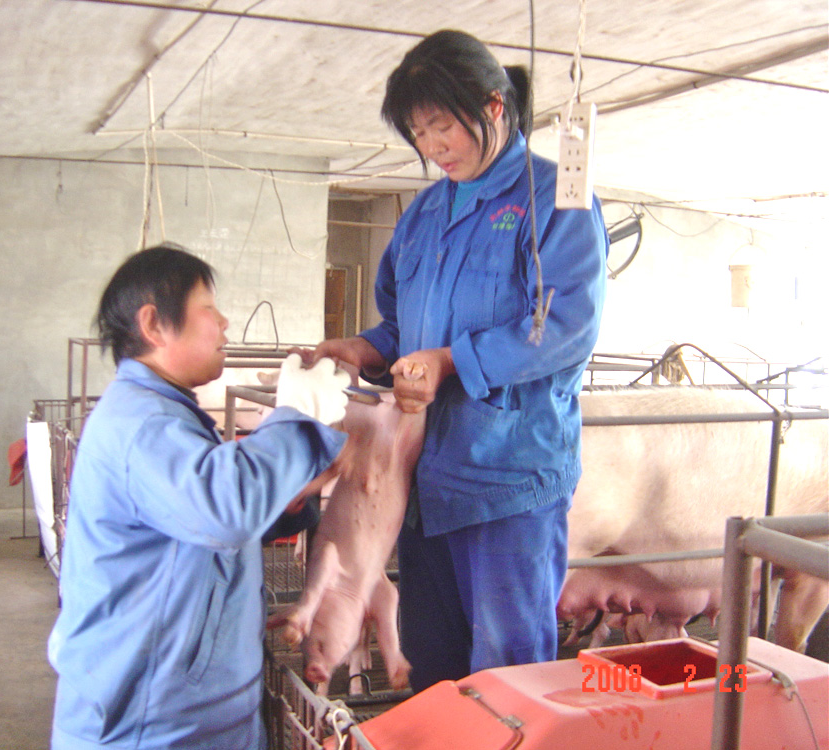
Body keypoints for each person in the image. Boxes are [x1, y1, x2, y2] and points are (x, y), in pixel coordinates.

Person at [309, 30, 609, 692]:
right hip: (426, 484)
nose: (433, 148)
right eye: (419, 134)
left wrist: (450, 362)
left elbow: (567, 327)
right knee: (431, 668)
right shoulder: (422, 213)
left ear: (493, 106)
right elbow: (399, 325)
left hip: (507, 483)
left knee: (509, 676)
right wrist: (362, 349)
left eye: (442, 127)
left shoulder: (556, 200)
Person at [48, 243, 349, 749]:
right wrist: (297, 416)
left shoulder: (164, 414)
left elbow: (192, 528)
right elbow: (224, 509)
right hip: (150, 725)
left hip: (194, 715)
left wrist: (285, 498)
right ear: (154, 324)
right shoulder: (141, 425)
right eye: (208, 308)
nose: (224, 322)